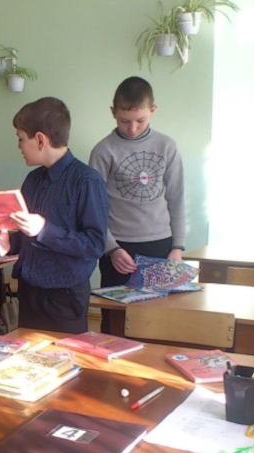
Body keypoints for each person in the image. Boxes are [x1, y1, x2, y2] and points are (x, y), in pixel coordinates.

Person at [0, 97, 108, 334]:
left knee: (65, 356)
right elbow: (28, 235)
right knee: (29, 354)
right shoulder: (33, 180)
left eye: (21, 138)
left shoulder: (86, 181)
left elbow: (94, 245)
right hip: (29, 292)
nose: (19, 146)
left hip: (64, 299)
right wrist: (10, 242)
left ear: (40, 140)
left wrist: (44, 229)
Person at [89, 76, 186, 333]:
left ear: (153, 110)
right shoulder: (103, 151)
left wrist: (177, 247)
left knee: (157, 322)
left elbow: (177, 197)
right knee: (116, 324)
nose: (132, 128)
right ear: (113, 112)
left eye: (140, 120)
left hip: (160, 245)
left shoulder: (167, 146)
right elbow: (93, 208)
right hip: (118, 248)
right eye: (124, 120)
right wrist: (110, 248)